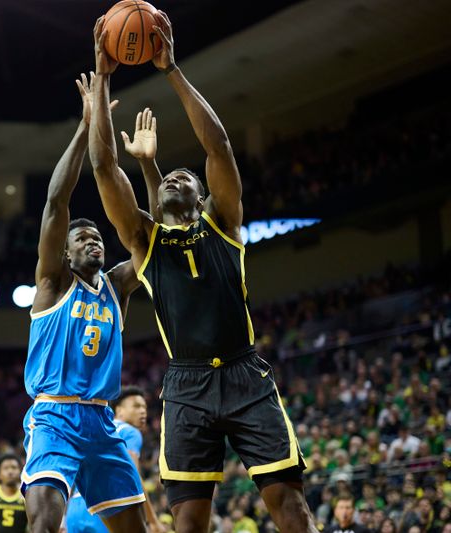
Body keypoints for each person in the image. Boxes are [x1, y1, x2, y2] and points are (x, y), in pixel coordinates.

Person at [87, 11, 318, 533]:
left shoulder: (224, 223)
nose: (173, 178)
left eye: (183, 176)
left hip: (245, 374)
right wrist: (102, 78)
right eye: (166, 176)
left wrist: (172, 70)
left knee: (292, 508)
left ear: (202, 195)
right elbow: (104, 168)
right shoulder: (145, 241)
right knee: (189, 522)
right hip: (186, 385)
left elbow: (219, 147)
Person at [20, 73, 147, 533]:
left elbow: (150, 244)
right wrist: (86, 125)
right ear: (66, 252)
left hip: (101, 421)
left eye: (97, 237)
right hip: (54, 415)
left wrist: (143, 167)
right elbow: (56, 202)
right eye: (82, 238)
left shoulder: (118, 285)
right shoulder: (53, 282)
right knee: (44, 524)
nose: (93, 241)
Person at [65, 386, 167, 533]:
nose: (143, 411)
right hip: (107, 508)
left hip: (75, 511)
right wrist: (152, 520)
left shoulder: (97, 429)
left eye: (144, 407)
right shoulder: (130, 432)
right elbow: (134, 475)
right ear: (119, 410)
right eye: (136, 406)